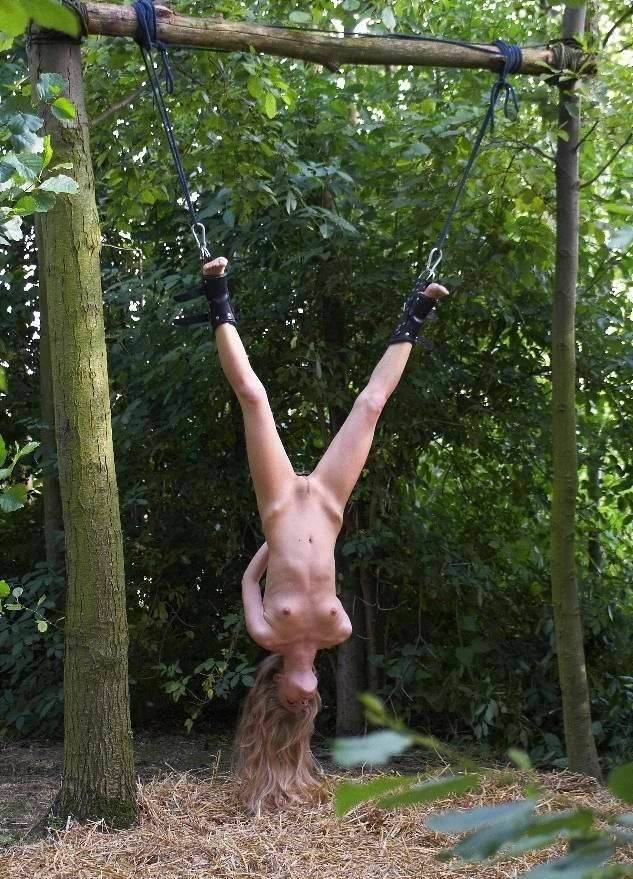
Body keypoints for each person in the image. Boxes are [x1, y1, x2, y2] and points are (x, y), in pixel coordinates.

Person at [202, 256, 448, 812]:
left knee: (254, 397)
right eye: (306, 711)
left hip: (281, 505)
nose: (304, 704)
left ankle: (216, 290)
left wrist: (274, 542)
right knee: (371, 406)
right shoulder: (339, 632)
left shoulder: (267, 633)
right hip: (329, 506)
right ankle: (419, 308)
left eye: (291, 707)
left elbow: (248, 581)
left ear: (274, 693)